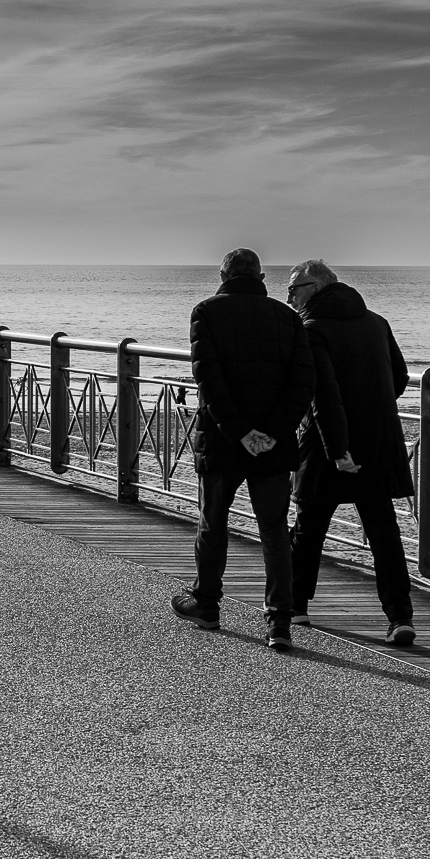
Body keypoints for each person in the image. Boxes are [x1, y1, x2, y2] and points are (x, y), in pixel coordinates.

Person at [172, 247, 315, 652]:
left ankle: (206, 605)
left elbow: (209, 379)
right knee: (273, 532)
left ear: (222, 274)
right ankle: (279, 621)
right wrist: (270, 432)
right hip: (273, 444)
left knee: (213, 523)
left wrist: (240, 432)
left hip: (222, 439)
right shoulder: (287, 317)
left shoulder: (206, 312)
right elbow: (303, 382)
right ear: (262, 278)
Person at [286, 261, 417, 646]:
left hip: (328, 446)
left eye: (295, 288)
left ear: (318, 287)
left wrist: (340, 449)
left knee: (308, 528)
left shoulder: (311, 329)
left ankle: (297, 607)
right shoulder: (376, 321)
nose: (289, 296)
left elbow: (323, 397)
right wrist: (369, 409)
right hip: (377, 441)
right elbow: (400, 376)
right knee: (383, 531)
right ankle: (400, 617)